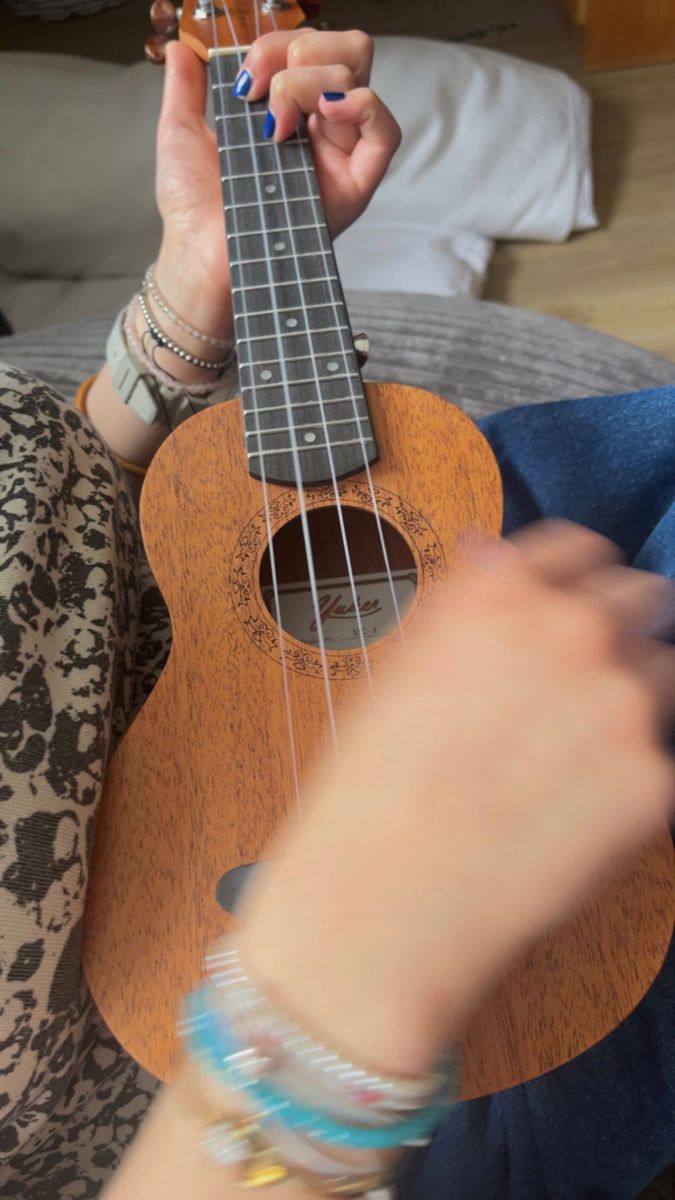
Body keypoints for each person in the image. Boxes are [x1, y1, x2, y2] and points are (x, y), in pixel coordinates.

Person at [0, 28, 673, 1200]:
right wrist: (340, 976)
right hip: (247, 1074)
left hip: (228, 577)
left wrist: (191, 295)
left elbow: (39, 515)